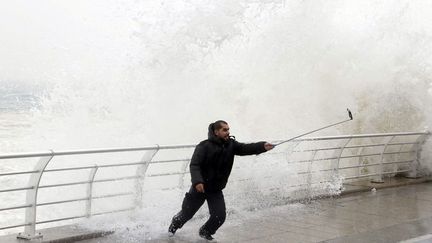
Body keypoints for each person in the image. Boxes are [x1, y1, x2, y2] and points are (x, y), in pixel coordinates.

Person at [168, 120, 274, 241]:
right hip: (199, 188)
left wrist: (262, 146)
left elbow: (246, 148)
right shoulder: (204, 146)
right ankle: (173, 226)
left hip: (215, 189)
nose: (228, 132)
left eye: (228, 129)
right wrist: (197, 182)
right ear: (216, 132)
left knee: (219, 216)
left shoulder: (231, 145)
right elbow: (195, 165)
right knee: (186, 214)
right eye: (225, 130)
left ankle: (205, 232)